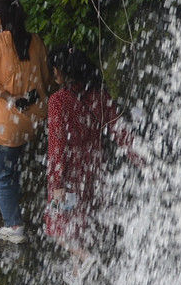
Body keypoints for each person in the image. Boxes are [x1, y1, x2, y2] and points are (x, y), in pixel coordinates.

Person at [44, 45, 139, 257]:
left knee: (56, 226)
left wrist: (57, 182)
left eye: (55, 69)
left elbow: (57, 145)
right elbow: (119, 130)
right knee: (84, 221)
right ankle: (81, 273)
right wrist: (140, 159)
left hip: (70, 170)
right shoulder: (99, 95)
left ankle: (86, 260)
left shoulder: (58, 101)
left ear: (64, 70)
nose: (54, 73)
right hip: (95, 165)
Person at [0, 0, 48, 244]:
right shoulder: (35, 40)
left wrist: (6, 94)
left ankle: (14, 226)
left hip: (7, 125)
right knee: (13, 167)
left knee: (1, 175)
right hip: (33, 120)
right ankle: (21, 207)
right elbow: (45, 80)